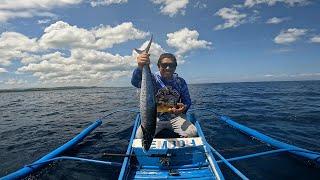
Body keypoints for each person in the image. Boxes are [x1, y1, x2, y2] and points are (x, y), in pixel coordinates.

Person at [131, 52, 197, 138]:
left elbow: (187, 101)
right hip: (154, 118)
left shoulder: (180, 82)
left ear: (175, 67)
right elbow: (135, 82)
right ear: (158, 66)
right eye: (164, 65)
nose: (168, 68)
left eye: (172, 65)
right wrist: (140, 66)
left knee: (193, 132)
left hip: (175, 117)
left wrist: (183, 108)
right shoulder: (152, 79)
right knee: (140, 136)